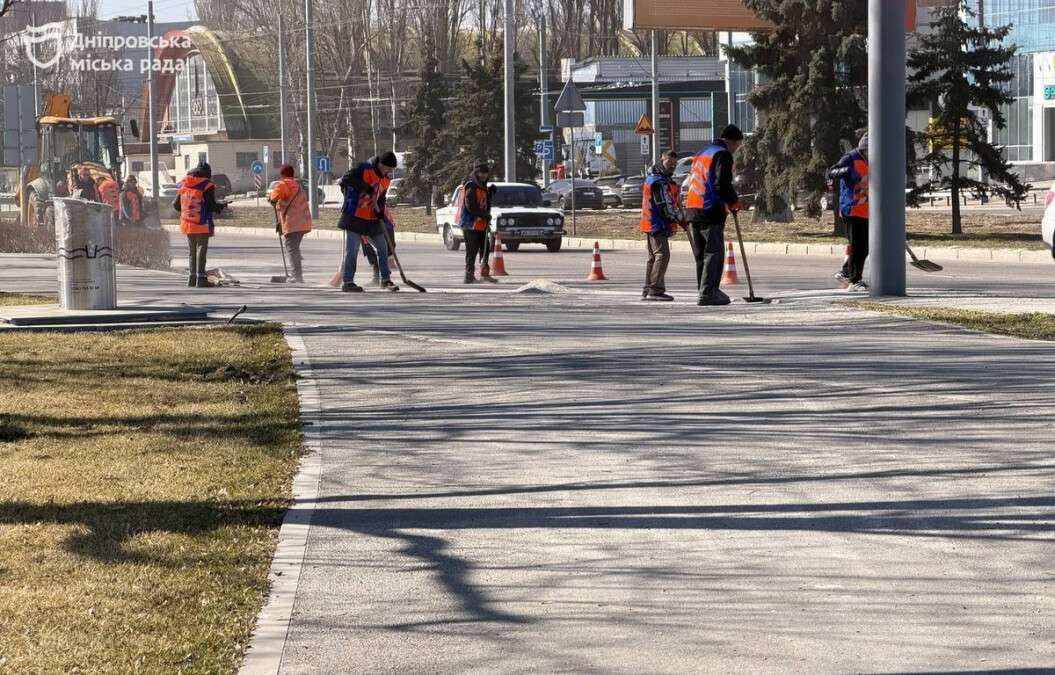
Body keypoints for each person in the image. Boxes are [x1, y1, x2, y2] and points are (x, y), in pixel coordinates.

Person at [684, 124, 744, 306]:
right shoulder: (722, 154)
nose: (736, 150)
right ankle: (709, 292)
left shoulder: (702, 152)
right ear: (731, 141)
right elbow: (721, 184)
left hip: (693, 207)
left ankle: (704, 289)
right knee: (714, 253)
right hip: (710, 208)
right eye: (737, 145)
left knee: (702, 254)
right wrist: (733, 201)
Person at [337, 151, 399, 292]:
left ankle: (385, 280)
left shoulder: (386, 180)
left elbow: (381, 198)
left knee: (383, 248)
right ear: (381, 164)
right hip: (354, 216)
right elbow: (346, 179)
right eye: (388, 168)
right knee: (352, 250)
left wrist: (380, 210)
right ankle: (348, 282)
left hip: (372, 219)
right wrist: (365, 187)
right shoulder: (364, 168)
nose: (389, 172)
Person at [640, 150, 683, 302]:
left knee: (653, 257)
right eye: (669, 163)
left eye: (674, 164)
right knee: (662, 255)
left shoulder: (659, 179)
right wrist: (679, 219)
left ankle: (649, 288)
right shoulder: (658, 181)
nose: (672, 166)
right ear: (661, 160)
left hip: (651, 222)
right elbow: (664, 205)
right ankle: (655, 290)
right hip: (656, 223)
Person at [828, 134, 870, 292]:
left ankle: (846, 272)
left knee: (865, 246)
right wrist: (848, 171)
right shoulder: (851, 158)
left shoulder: (875, 161)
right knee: (859, 246)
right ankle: (854, 280)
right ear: (865, 149)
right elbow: (832, 172)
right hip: (851, 209)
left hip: (867, 209)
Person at [173, 162, 222, 288]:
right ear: (207, 173)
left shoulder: (185, 183)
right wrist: (220, 206)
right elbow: (210, 205)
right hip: (201, 223)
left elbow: (176, 205)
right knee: (201, 249)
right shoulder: (206, 185)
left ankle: (192, 278)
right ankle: (201, 278)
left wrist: (187, 211)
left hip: (187, 223)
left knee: (192, 251)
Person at [269, 164, 312, 283]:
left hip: (292, 223)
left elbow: (273, 197)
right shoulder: (298, 185)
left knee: (291, 248)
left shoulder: (283, 184)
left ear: (282, 174)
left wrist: (273, 200)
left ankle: (296, 276)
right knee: (294, 248)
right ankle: (296, 274)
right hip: (304, 222)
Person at [457, 162, 497, 284]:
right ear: (476, 173)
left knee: (485, 249)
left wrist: (490, 192)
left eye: (485, 173)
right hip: (470, 224)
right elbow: (471, 206)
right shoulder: (471, 186)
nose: (484, 175)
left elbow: (483, 202)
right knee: (472, 250)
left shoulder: (482, 186)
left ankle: (484, 274)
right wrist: (484, 215)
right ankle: (468, 276)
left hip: (481, 224)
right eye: (481, 173)